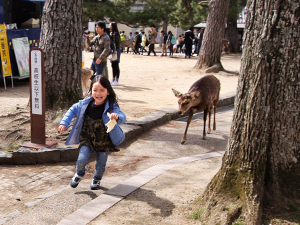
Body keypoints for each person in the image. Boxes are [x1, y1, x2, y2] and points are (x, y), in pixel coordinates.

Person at [58, 75, 126, 190]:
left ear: (108, 92)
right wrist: (64, 123)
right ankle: (79, 173)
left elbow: (123, 117)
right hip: (87, 137)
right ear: (91, 91)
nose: (98, 93)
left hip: (104, 140)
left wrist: (117, 117)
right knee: (81, 159)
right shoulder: (85, 103)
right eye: (95, 90)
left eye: (102, 90)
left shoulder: (111, 106)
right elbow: (72, 110)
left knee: (101, 164)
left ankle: (97, 179)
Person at [109, 22, 121, 86]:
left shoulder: (115, 34)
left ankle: (117, 79)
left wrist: (114, 49)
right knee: (113, 65)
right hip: (113, 50)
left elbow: (118, 43)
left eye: (110, 25)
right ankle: (113, 79)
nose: (109, 26)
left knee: (116, 64)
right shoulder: (111, 33)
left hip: (116, 50)